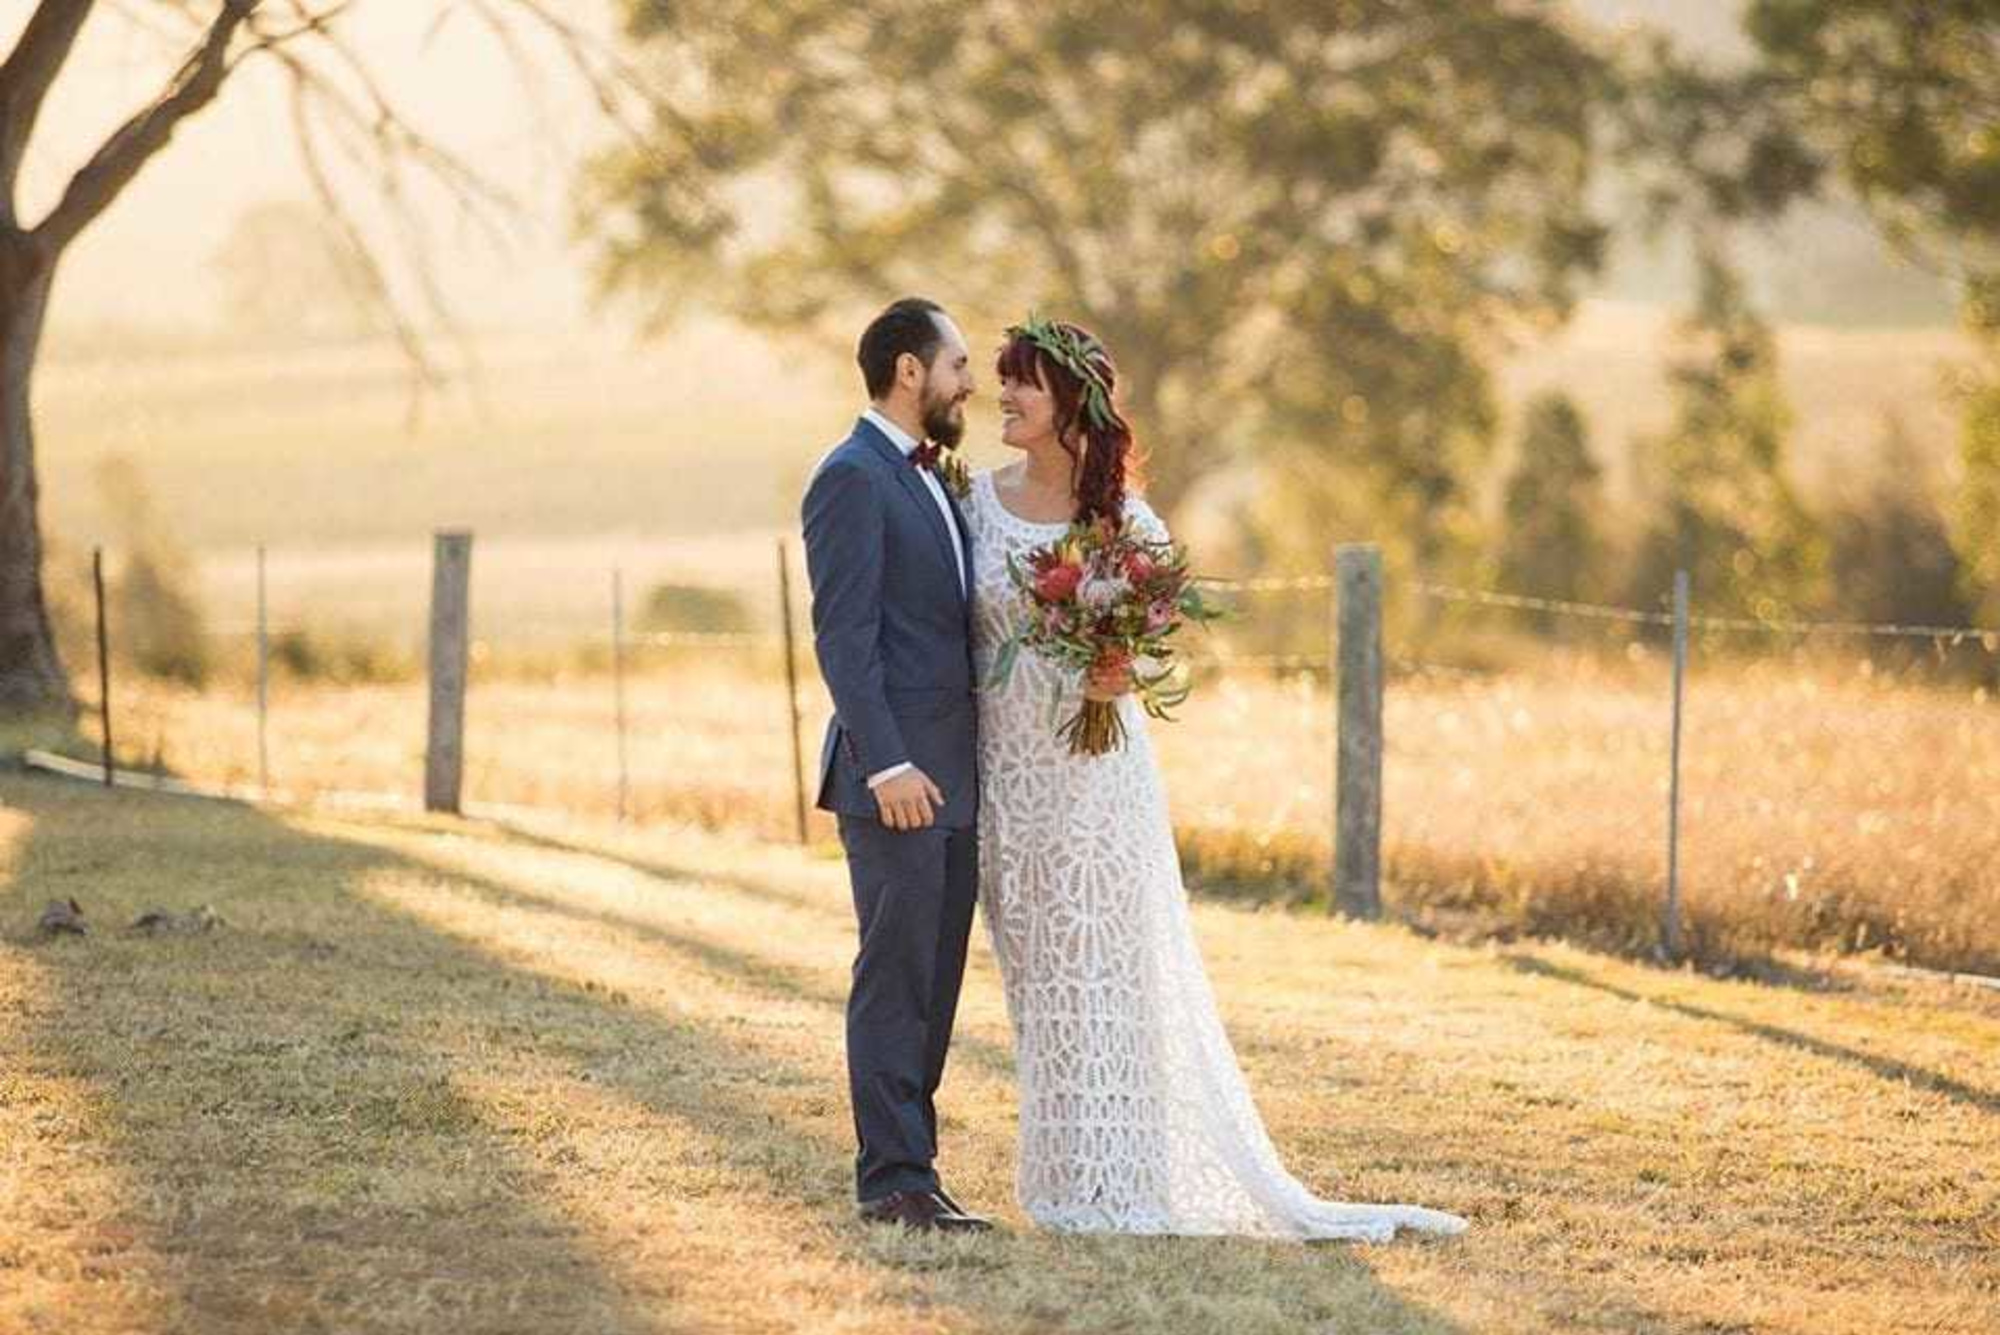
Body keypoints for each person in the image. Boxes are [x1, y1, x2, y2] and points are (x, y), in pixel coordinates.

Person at [962, 316, 1469, 1242]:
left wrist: (1116, 667)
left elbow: (1158, 633)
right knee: (1040, 986)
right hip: (1012, 784)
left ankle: (1125, 1180)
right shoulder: (974, 504)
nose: (1005, 396)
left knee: (1113, 977)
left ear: (1070, 400)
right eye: (1002, 379)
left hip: (1098, 783)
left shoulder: (1123, 522)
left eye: (1022, 382)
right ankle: (1067, 1179)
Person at [799, 297, 991, 1233]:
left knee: (937, 977)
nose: (970, 381)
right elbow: (845, 637)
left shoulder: (933, 479)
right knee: (896, 975)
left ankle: (918, 1169)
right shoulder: (851, 477)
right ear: (909, 371)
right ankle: (889, 1180)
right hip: (898, 782)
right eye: (957, 362)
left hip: (955, 778)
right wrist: (887, 766)